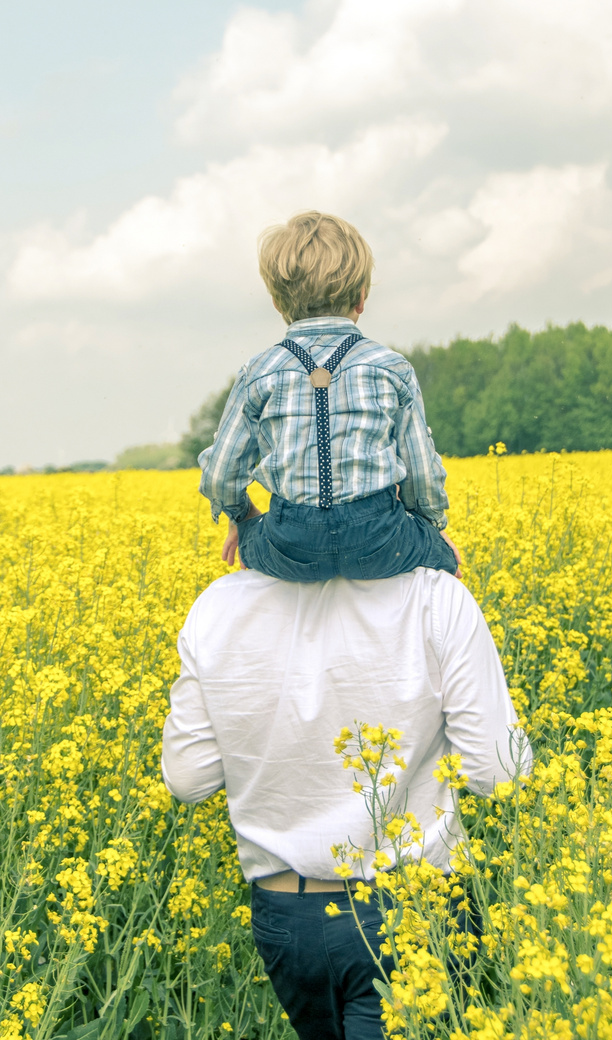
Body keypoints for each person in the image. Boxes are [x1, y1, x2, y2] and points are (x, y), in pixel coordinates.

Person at [162, 566, 532, 1040]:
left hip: (287, 918)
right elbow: (500, 774)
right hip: (413, 910)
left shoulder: (217, 606)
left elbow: (189, 780)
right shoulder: (434, 595)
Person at [197, 210, 460, 582]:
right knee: (444, 560)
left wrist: (242, 518)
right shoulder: (390, 367)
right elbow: (421, 473)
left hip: (292, 544)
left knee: (254, 537)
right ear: (362, 297)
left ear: (276, 302)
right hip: (380, 540)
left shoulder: (259, 371)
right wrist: (430, 528)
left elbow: (220, 477)